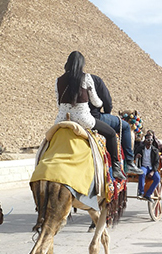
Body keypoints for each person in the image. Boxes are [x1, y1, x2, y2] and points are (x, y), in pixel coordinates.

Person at [54, 51, 125, 180]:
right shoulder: (86, 77)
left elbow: (59, 103)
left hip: (62, 120)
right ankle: (115, 168)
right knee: (111, 134)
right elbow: (96, 101)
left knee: (48, 141)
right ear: (82, 64)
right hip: (83, 120)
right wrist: (102, 103)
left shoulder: (58, 80)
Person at [88, 74, 143, 175]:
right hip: (93, 117)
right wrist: (107, 112)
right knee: (125, 127)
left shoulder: (63, 81)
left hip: (68, 117)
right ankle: (129, 163)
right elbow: (107, 101)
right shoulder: (92, 79)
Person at [134, 132, 160, 201]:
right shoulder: (140, 148)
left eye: (151, 140)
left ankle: (148, 194)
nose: (150, 142)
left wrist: (153, 171)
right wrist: (136, 156)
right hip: (144, 166)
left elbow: (157, 163)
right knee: (142, 173)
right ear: (145, 140)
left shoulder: (155, 150)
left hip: (152, 168)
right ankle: (141, 192)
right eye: (148, 140)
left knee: (157, 178)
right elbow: (134, 155)